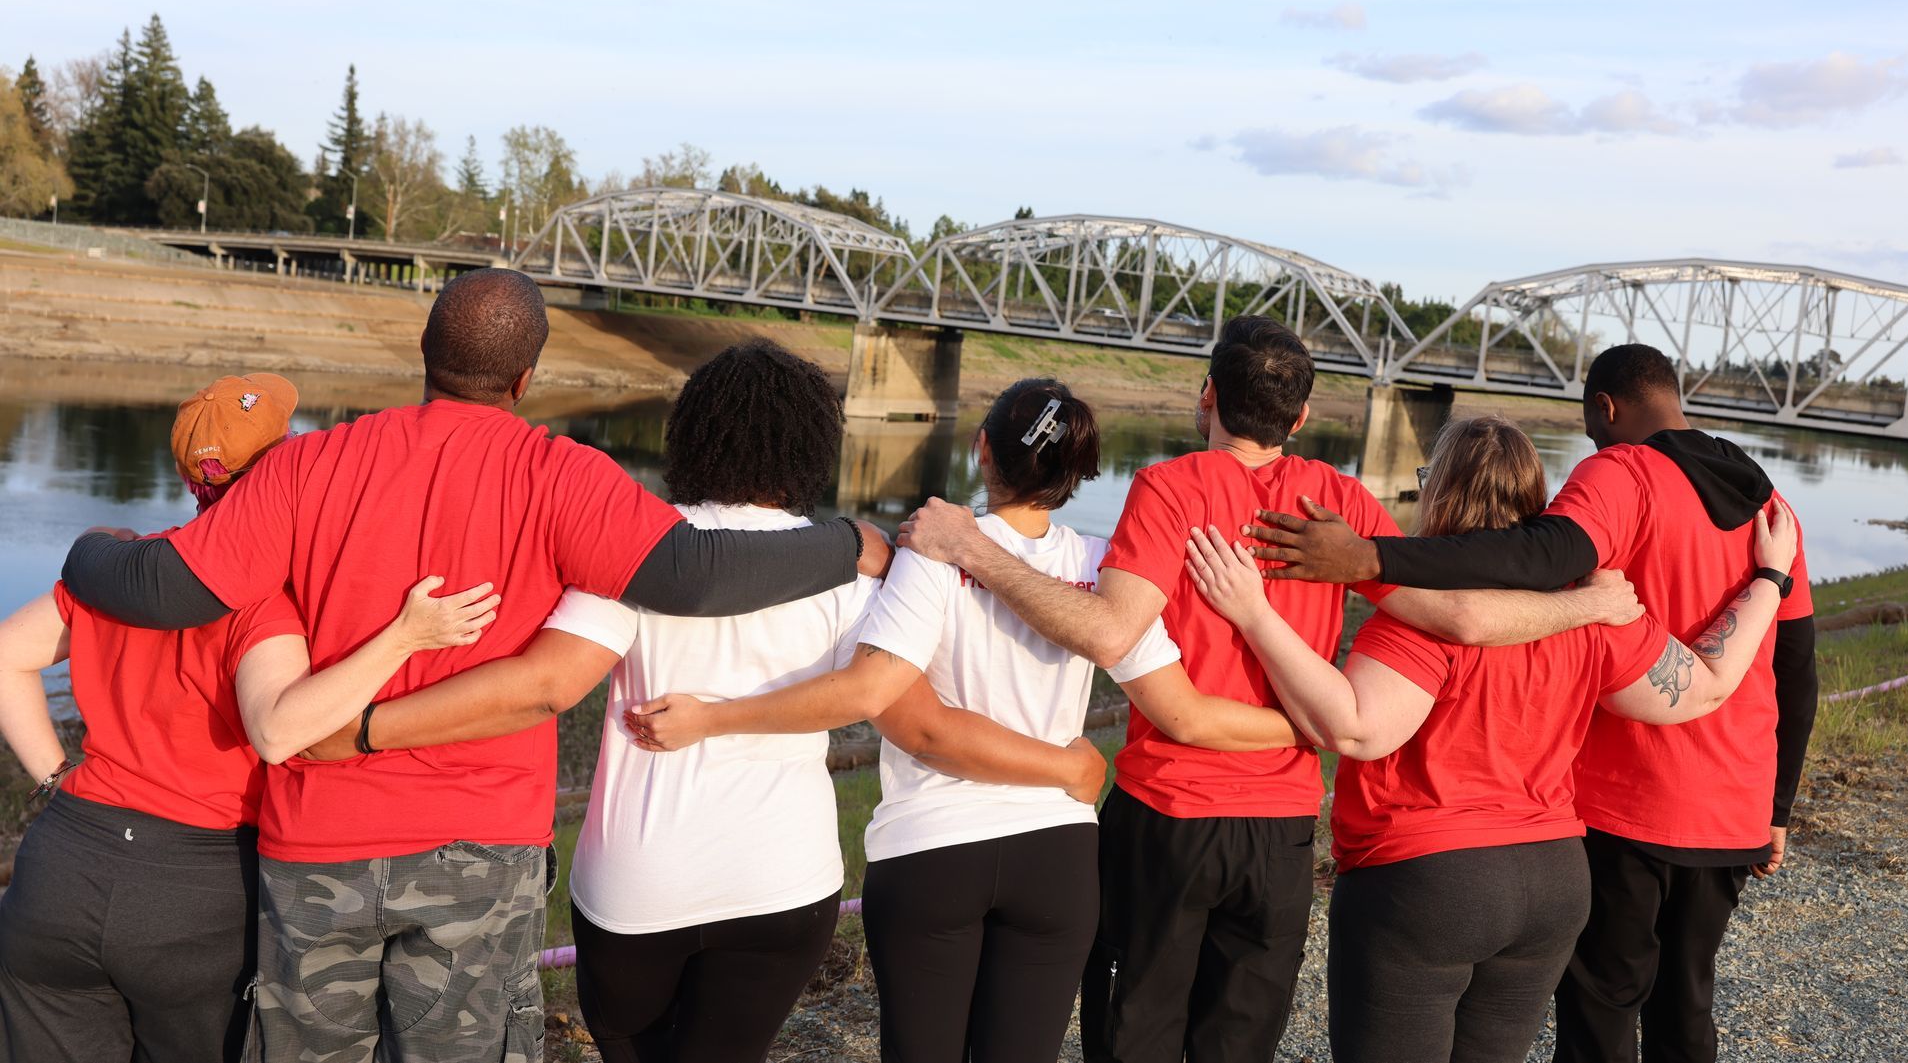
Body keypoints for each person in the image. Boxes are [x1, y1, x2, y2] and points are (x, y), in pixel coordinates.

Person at [57, 271, 893, 1063]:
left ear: (424, 353)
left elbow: (168, 586)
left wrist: (87, 551)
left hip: (318, 840)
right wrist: (849, 542)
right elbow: (696, 571)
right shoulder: (560, 473)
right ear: (525, 378)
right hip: (479, 849)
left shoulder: (305, 465)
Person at [893, 317, 1645, 1063]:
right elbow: (1457, 614)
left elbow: (1110, 632)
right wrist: (1589, 604)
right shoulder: (1341, 503)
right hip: (1282, 829)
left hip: (1170, 817)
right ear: (1303, 416)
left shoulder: (1168, 485)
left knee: (1136, 1034)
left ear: (1207, 395)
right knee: (1240, 1041)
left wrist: (969, 546)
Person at [639, 377, 1308, 1063]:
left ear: (982, 449)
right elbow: (1186, 713)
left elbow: (898, 711)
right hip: (1056, 853)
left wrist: (713, 715)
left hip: (932, 852)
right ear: (1077, 471)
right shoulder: (1102, 569)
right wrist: (1309, 724)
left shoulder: (933, 550)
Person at [1242, 345, 1816, 1063]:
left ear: (1440, 490)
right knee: (1671, 1007)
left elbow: (1357, 727)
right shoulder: (1600, 613)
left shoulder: (1427, 616)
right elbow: (1707, 682)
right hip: (1552, 884)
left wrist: (1257, 614)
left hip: (1428, 880)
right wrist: (1767, 578)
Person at [0, 373, 495, 1063]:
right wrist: (405, 636)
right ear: (285, 470)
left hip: (61, 869)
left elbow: (6, 655)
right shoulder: (260, 602)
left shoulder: (126, 568)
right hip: (191, 892)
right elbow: (278, 727)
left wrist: (57, 777)